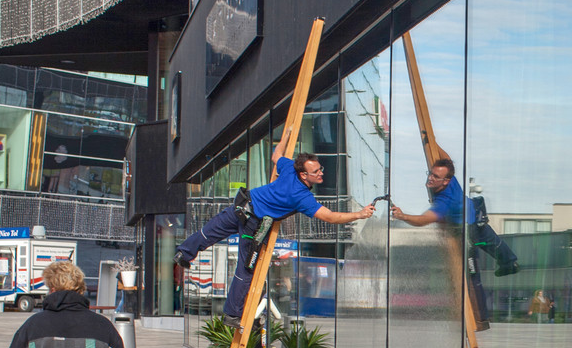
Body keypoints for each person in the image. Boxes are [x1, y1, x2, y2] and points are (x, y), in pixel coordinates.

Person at [175, 127, 375, 325]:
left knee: (209, 232)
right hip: (252, 223)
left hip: (241, 205)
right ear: (304, 175)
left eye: (320, 168)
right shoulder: (302, 197)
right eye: (316, 171)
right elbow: (330, 217)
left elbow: (276, 154)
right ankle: (232, 314)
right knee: (246, 269)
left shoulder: (288, 168)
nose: (321, 173)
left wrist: (286, 136)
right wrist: (359, 214)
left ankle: (184, 253)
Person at [391, 157, 509, 332]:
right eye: (431, 173)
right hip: (473, 214)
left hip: (467, 229)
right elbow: (440, 154)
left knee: (471, 275)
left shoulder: (444, 202)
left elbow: (424, 220)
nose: (431, 178)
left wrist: (403, 216)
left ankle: (480, 320)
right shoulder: (450, 179)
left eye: (436, 177)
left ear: (446, 181)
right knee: (492, 247)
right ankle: (509, 261)